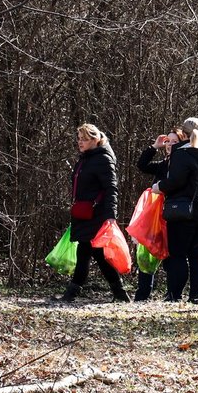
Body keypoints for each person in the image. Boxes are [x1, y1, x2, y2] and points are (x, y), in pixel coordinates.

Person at [54, 123, 130, 303]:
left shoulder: (103, 159)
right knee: (93, 253)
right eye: (79, 139)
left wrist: (111, 215)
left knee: (88, 252)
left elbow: (111, 188)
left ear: (95, 140)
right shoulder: (85, 158)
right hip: (83, 213)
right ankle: (118, 292)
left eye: (84, 139)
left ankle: (72, 293)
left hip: (97, 214)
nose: (80, 142)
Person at [154, 117, 198, 303]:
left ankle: (174, 295)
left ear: (184, 132)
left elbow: (176, 181)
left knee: (178, 254)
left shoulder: (182, 153)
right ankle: (196, 297)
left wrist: (160, 186)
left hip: (183, 210)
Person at [134, 128, 185, 301]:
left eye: (175, 142)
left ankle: (172, 294)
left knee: (170, 256)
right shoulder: (163, 164)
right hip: (154, 217)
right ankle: (142, 296)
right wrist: (154, 147)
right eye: (168, 142)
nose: (170, 145)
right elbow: (142, 165)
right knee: (147, 253)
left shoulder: (182, 165)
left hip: (172, 215)